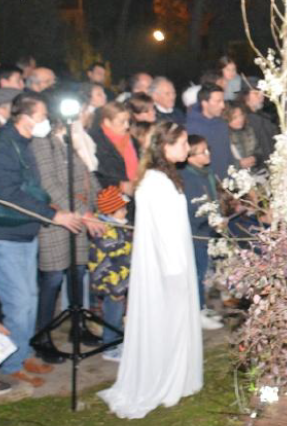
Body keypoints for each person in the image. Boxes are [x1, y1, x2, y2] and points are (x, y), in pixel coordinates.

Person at [0, 92, 85, 387]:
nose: (45, 122)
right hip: (4, 233)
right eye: (41, 116)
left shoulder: (25, 143)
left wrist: (55, 208)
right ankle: (11, 364)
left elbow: (34, 189)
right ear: (25, 117)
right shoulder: (3, 146)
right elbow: (12, 195)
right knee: (19, 301)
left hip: (25, 230)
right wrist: (55, 217)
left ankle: (23, 353)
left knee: (30, 299)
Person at [98, 122, 203, 419]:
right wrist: (174, 269)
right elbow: (162, 232)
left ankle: (179, 378)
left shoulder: (166, 176)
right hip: (169, 265)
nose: (186, 148)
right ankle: (166, 380)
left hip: (176, 260)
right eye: (182, 143)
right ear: (165, 146)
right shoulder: (155, 182)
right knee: (170, 320)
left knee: (178, 322)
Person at [29, 115, 104, 364]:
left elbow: (87, 177)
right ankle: (42, 335)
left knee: (77, 272)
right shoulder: (43, 143)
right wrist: (85, 213)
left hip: (81, 216)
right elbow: (49, 184)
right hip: (58, 219)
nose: (84, 115)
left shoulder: (68, 140)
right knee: (52, 278)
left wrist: (111, 206)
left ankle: (77, 325)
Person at [181, 135, 225, 331]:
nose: (208, 154)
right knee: (196, 273)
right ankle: (195, 312)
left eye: (208, 150)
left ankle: (201, 306)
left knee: (203, 270)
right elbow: (195, 208)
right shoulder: (189, 178)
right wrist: (212, 221)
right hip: (195, 232)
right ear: (190, 157)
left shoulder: (204, 172)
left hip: (206, 229)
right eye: (202, 152)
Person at [88, 186, 133, 361]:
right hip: (110, 280)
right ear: (111, 211)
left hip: (119, 279)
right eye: (122, 209)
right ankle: (109, 346)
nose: (126, 211)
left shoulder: (117, 226)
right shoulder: (106, 230)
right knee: (112, 313)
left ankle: (116, 339)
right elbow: (118, 254)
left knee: (118, 311)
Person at [91, 102, 139, 196]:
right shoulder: (96, 142)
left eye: (128, 121)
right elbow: (96, 175)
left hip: (136, 189)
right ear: (107, 122)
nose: (127, 126)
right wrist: (120, 184)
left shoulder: (130, 138)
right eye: (122, 122)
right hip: (113, 196)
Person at [186, 85, 233, 179]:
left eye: (223, 101)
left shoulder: (221, 123)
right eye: (218, 101)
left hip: (229, 180)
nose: (223, 105)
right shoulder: (191, 129)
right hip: (209, 183)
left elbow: (228, 153)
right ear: (204, 103)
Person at [226, 102, 261, 172]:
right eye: (234, 117)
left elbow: (259, 150)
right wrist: (238, 164)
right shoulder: (223, 136)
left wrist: (255, 158)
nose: (240, 119)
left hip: (254, 174)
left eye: (241, 115)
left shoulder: (249, 130)